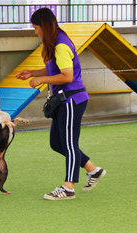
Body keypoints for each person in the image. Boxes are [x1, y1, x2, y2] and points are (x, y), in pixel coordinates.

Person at [15, 8, 105, 200]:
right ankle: (93, 170)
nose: (35, 32)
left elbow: (67, 75)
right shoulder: (56, 41)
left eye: (36, 28)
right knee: (57, 143)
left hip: (72, 100)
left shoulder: (61, 45)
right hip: (65, 100)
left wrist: (42, 80)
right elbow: (54, 68)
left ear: (44, 26)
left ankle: (68, 188)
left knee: (69, 144)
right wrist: (32, 72)